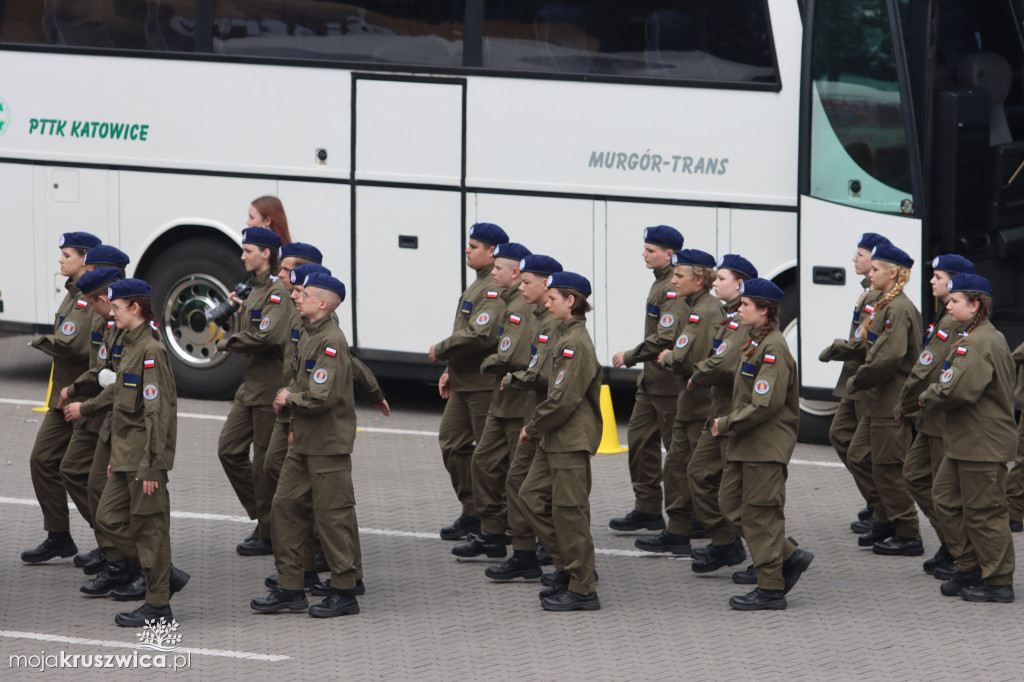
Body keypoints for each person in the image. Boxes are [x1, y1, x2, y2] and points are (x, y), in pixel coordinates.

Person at [252, 272, 362, 618]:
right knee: (284, 506)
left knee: (332, 517)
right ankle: (291, 587)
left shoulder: (330, 340)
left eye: (306, 294)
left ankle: (345, 592)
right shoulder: (309, 334)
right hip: (302, 442)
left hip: (327, 445)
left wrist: (287, 399)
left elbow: (320, 397)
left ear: (324, 304)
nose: (297, 298)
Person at [711, 278, 812, 611]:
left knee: (761, 516)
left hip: (765, 446)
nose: (739, 309)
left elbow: (764, 404)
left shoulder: (773, 349)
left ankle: (771, 588)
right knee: (730, 505)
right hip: (746, 443)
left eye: (745, 305)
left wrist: (726, 423)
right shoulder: (756, 342)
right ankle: (788, 556)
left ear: (765, 310)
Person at [91, 278, 188, 627]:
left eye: (116, 307)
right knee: (108, 518)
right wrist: (118, 456)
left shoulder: (151, 351)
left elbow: (157, 414)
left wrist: (151, 467)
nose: (111, 312)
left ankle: (158, 605)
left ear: (135, 308)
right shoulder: (130, 345)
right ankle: (166, 574)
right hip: (125, 456)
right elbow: (122, 406)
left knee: (150, 530)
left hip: (144, 460)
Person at [922, 273, 1016, 603]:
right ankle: (970, 565)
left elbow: (958, 390)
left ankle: (998, 580)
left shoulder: (980, 342)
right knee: (945, 499)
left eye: (955, 300)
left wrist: (928, 394)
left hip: (982, 442)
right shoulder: (970, 337)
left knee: (984, 512)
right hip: (965, 440)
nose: (948, 304)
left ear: (975, 305)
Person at [519, 271, 603, 611]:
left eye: (553, 298)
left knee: (570, 514)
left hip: (568, 438)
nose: (548, 302)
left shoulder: (574, 343)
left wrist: (533, 426)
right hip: (556, 436)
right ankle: (570, 568)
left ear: (571, 301)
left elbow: (563, 399)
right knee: (529, 496)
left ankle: (583, 588)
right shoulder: (564, 336)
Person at [21, 231, 101, 564]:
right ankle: (58, 536)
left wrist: (41, 342)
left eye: (66, 255)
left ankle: (112, 541)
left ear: (84, 258)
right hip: (62, 396)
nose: (60, 260)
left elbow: (75, 345)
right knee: (42, 460)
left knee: (81, 473)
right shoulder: (73, 293)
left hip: (86, 397)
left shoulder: (89, 297)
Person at [636, 249, 722, 555]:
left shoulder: (705, 311)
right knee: (676, 467)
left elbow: (693, 358)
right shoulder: (694, 305)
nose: (673, 281)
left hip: (699, 405)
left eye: (679, 275)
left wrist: (670, 357)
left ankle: (722, 536)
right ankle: (678, 530)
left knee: (694, 471)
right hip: (689, 402)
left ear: (699, 279)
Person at [453, 242, 534, 559]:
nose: (493, 272)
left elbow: (511, 354)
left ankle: (524, 541)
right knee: (484, 462)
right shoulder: (506, 299)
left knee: (518, 476)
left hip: (516, 404)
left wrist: (486, 363)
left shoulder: (519, 307)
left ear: (515, 272)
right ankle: (492, 533)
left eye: (498, 267)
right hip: (502, 403)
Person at [895, 254, 975, 575]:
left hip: (939, 418)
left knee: (946, 491)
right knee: (915, 477)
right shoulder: (943, 315)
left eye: (938, 276)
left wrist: (905, 403)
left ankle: (960, 551)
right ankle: (949, 541)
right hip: (928, 416)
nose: (931, 281)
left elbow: (926, 368)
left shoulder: (953, 321)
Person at [429, 223, 510, 540]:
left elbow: (481, 334)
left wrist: (442, 349)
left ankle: (499, 520)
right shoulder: (479, 283)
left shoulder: (494, 286)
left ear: (492, 252)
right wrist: (450, 367)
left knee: (490, 457)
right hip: (463, 380)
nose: (467, 249)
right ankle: (474, 510)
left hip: (481, 384)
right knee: (452, 444)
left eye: (474, 245)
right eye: (469, 244)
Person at [487, 254, 564, 581]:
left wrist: (512, 378)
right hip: (538, 417)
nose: (522, 286)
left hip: (548, 421)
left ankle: (563, 560)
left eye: (528, 281)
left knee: (536, 489)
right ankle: (527, 553)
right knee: (521, 484)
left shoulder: (552, 324)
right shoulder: (540, 317)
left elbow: (544, 374)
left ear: (547, 285)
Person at [215, 226, 291, 555]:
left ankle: (270, 531)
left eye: (248, 250)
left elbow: (268, 337)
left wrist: (226, 342)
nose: (242, 255)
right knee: (228, 450)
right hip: (250, 390)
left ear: (267, 254)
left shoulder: (277, 293)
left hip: (268, 391)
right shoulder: (252, 289)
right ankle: (265, 517)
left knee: (263, 464)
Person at [845, 243, 923, 555]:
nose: (870, 273)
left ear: (893, 274)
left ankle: (907, 533)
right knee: (859, 457)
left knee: (889, 468)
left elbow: (888, 358)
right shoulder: (884, 305)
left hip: (892, 399)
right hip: (878, 399)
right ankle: (885, 516)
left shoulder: (899, 309)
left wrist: (857, 380)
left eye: (876, 269)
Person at [609, 225, 686, 532]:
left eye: (650, 250)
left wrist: (630, 356)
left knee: (677, 454)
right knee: (640, 444)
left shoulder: (672, 287)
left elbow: (665, 337)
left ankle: (689, 516)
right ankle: (647, 509)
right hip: (651, 382)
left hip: (668, 384)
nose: (644, 254)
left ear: (669, 254)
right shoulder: (661, 282)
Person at [687, 254, 758, 577]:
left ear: (740, 284)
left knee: (739, 493)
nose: (714, 283)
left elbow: (725, 364)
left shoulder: (742, 322)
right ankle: (725, 542)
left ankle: (775, 558)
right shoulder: (731, 317)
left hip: (733, 416)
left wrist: (696, 373)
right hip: (718, 413)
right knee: (700, 474)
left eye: (721, 279)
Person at [818, 232, 891, 532]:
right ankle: (877, 502)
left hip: (866, 380)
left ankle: (883, 508)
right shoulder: (867, 291)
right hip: (856, 379)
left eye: (860, 255)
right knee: (841, 435)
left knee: (861, 448)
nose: (854, 259)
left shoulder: (877, 296)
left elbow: (870, 343)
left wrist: (839, 348)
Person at [59, 266, 125, 576]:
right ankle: (115, 554)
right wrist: (73, 391)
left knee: (137, 506)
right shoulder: (111, 324)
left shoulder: (136, 334)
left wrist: (84, 407)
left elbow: (123, 387)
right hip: (102, 413)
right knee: (79, 475)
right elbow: (100, 372)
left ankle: (126, 563)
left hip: (123, 425)